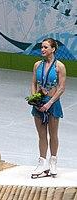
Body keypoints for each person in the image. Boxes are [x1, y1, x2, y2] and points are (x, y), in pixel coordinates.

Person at [30, 38, 66, 178]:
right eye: (41, 47)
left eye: (45, 47)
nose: (42, 49)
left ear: (53, 49)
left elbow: (61, 87)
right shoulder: (37, 65)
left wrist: (49, 103)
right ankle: (42, 162)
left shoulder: (59, 66)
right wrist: (34, 99)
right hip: (39, 103)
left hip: (53, 103)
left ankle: (53, 161)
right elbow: (33, 83)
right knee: (41, 135)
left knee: (53, 134)